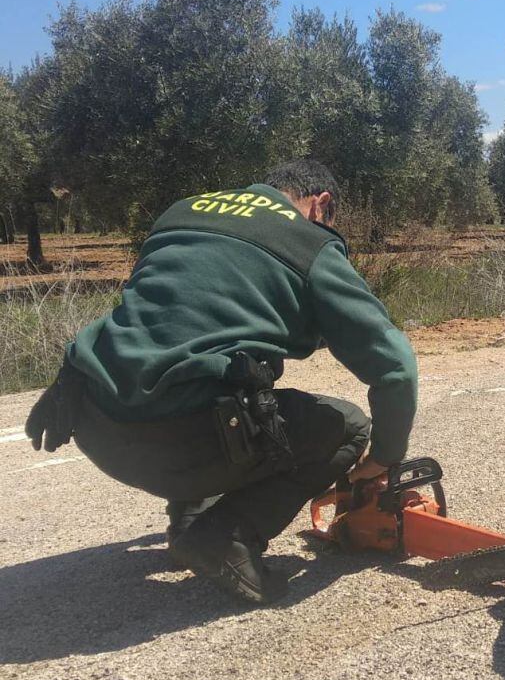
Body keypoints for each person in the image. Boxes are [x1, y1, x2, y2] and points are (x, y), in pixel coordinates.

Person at [25, 160, 418, 604]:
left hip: (94, 422)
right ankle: (225, 535)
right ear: (320, 205)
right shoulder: (307, 240)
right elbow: (395, 367)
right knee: (346, 425)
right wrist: (383, 459)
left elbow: (166, 323)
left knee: (223, 377)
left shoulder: (182, 212)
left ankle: (190, 520)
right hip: (185, 441)